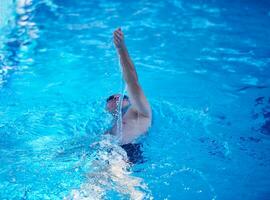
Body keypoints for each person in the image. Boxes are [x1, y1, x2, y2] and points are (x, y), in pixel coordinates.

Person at [105, 28, 152, 163]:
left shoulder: (139, 111)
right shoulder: (109, 128)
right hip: (108, 152)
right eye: (110, 98)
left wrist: (121, 49)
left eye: (122, 97)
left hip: (127, 151)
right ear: (106, 108)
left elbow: (132, 81)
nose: (116, 98)